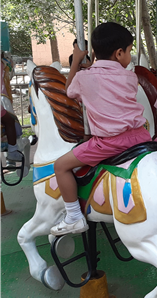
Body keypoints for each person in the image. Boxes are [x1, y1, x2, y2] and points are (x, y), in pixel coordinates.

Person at [50, 22, 151, 236]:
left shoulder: (84, 78)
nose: (130, 56)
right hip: (141, 137)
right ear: (119, 53)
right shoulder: (130, 76)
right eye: (130, 51)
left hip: (109, 143)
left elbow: (69, 91)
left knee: (60, 166)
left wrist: (76, 62)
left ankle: (73, 217)